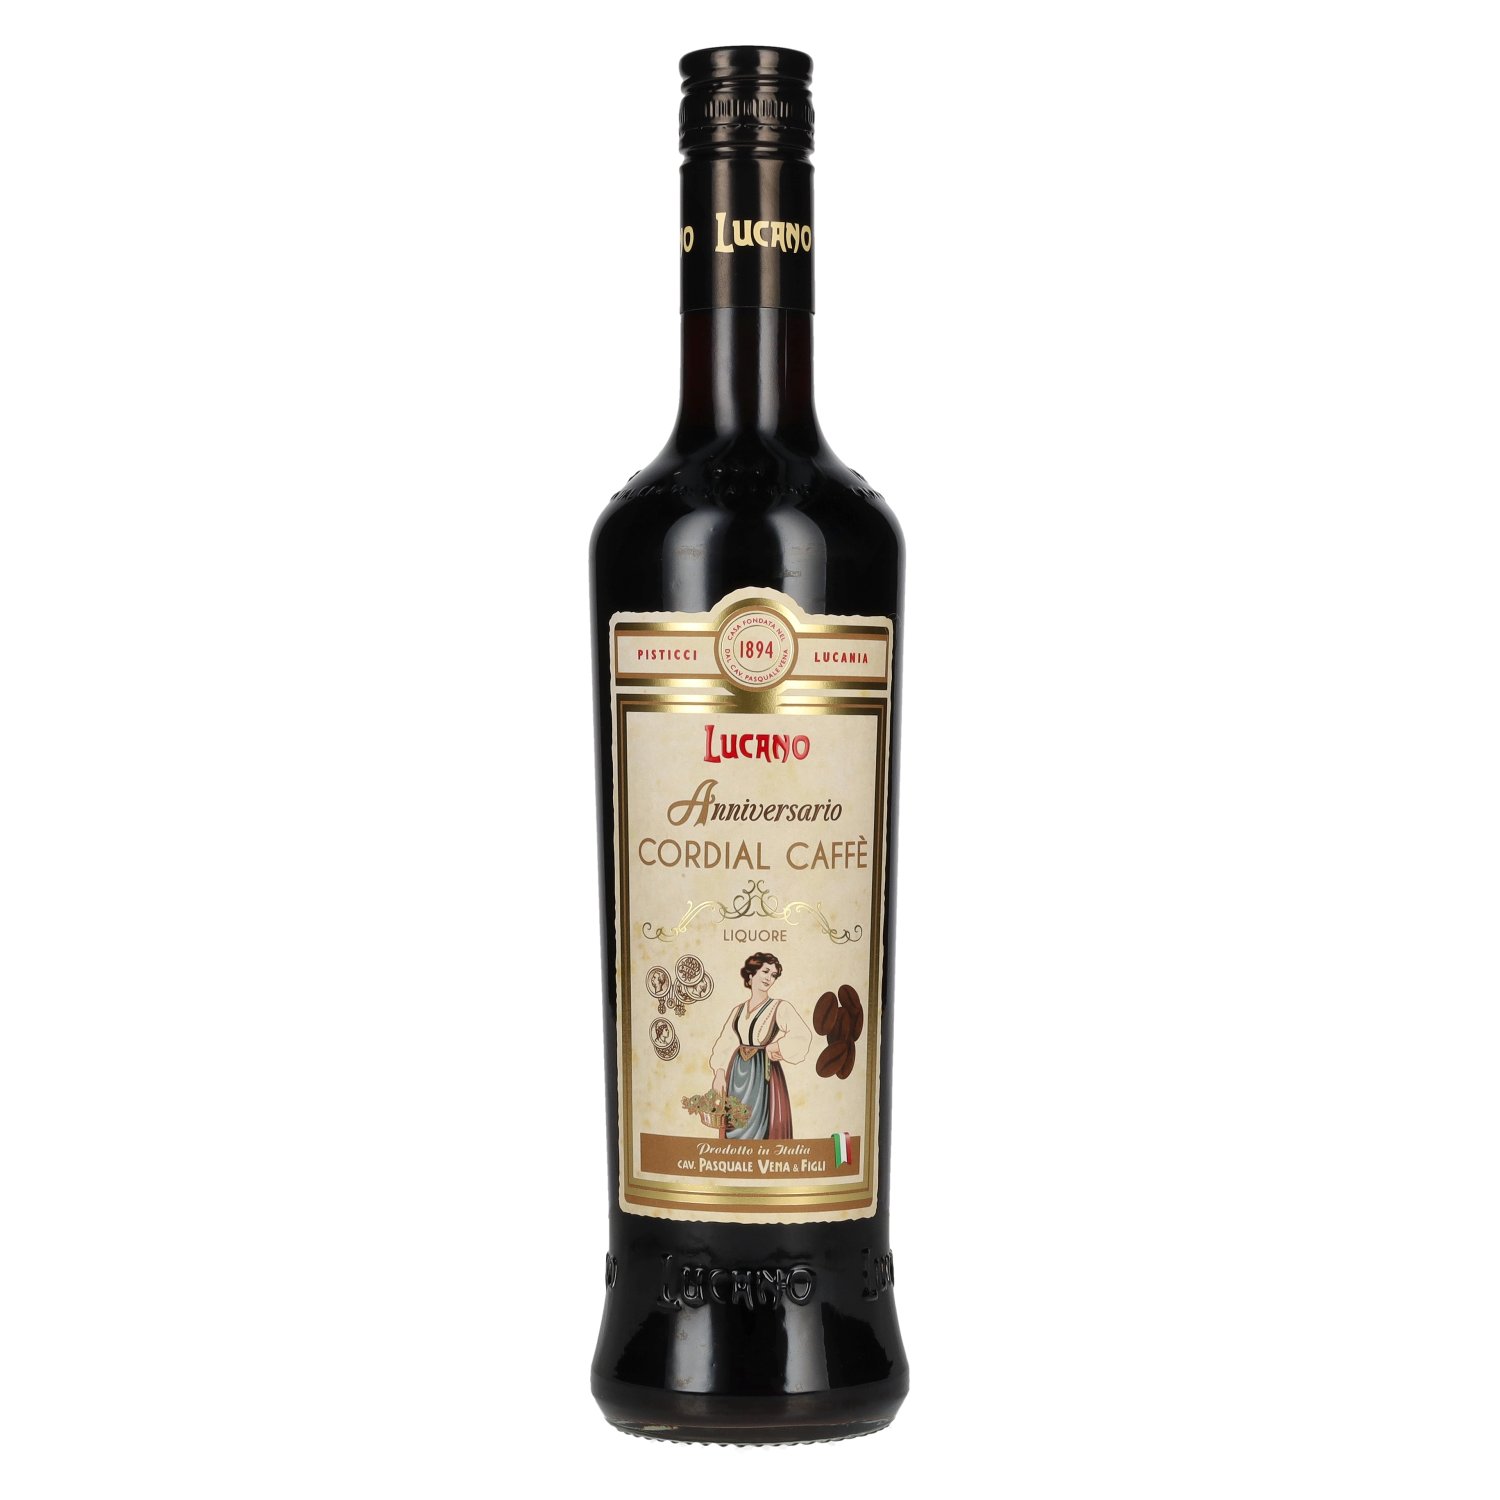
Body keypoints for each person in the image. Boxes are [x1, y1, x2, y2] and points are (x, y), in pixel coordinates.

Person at [706, 952, 811, 1139]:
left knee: (762, 1127)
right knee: (734, 1122)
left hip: (764, 1074)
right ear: (751, 974)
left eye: (773, 975)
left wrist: (776, 1046)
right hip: (737, 1073)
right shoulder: (738, 1010)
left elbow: (802, 1035)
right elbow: (725, 1041)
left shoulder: (779, 1007)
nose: (769, 978)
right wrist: (720, 1073)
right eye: (765, 971)